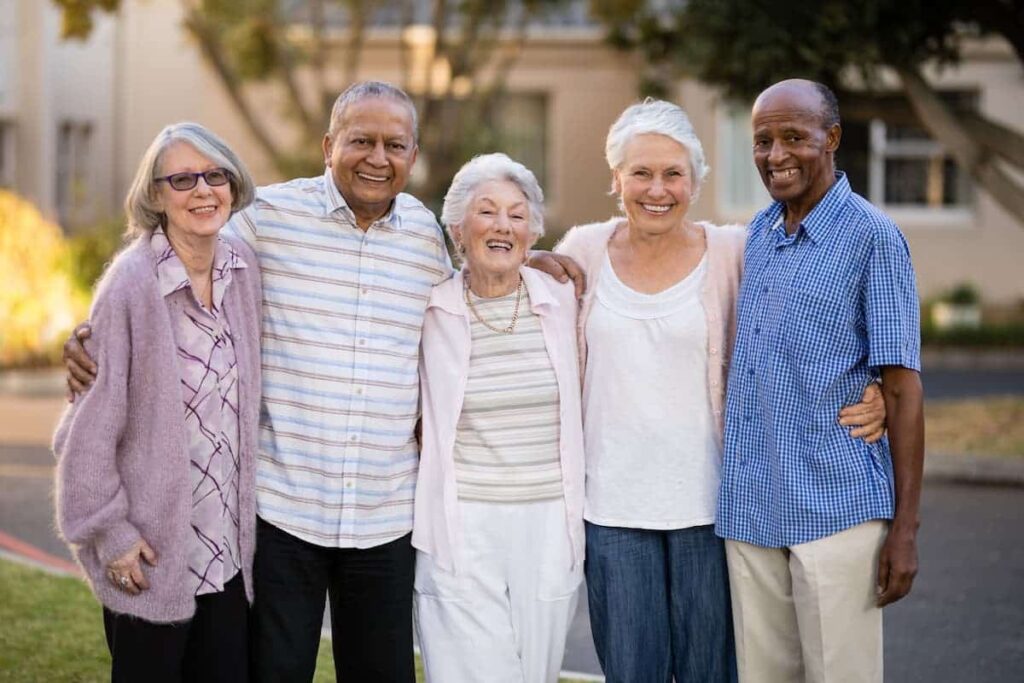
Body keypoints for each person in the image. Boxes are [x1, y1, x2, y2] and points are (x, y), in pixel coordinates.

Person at [61, 81, 583, 682]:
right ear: (328, 145)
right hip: (285, 516)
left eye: (395, 144)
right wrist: (89, 329)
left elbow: (481, 268)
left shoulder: (425, 239)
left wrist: (532, 257)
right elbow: (180, 250)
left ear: (413, 156)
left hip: (386, 519)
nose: (377, 157)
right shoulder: (269, 219)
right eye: (361, 140)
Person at [555, 99, 887, 683]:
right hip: (610, 509)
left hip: (714, 509)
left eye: (673, 174)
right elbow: (523, 313)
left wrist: (878, 385)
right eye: (641, 173)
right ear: (616, 179)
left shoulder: (735, 250)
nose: (657, 189)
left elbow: (815, 317)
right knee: (632, 672)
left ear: (697, 182)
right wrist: (529, 258)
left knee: (713, 672)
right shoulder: (581, 250)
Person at [715, 79, 925, 683]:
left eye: (792, 138)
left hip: (836, 508)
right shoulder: (756, 234)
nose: (775, 155)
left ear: (830, 139)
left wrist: (905, 531)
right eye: (762, 141)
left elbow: (903, 387)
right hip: (751, 511)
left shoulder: (872, 238)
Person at [53, 122, 261, 682]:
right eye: (183, 179)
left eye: (215, 175)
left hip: (226, 556)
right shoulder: (130, 285)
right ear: (155, 195)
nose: (202, 191)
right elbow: (86, 432)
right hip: (150, 555)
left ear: (233, 186)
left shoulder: (244, 271)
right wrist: (112, 535)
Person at [414, 154, 585, 682]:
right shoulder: (429, 308)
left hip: (548, 520)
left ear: (533, 233)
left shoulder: (567, 303)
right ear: (458, 230)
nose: (502, 226)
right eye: (486, 213)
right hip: (461, 520)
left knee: (534, 673)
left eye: (517, 215)